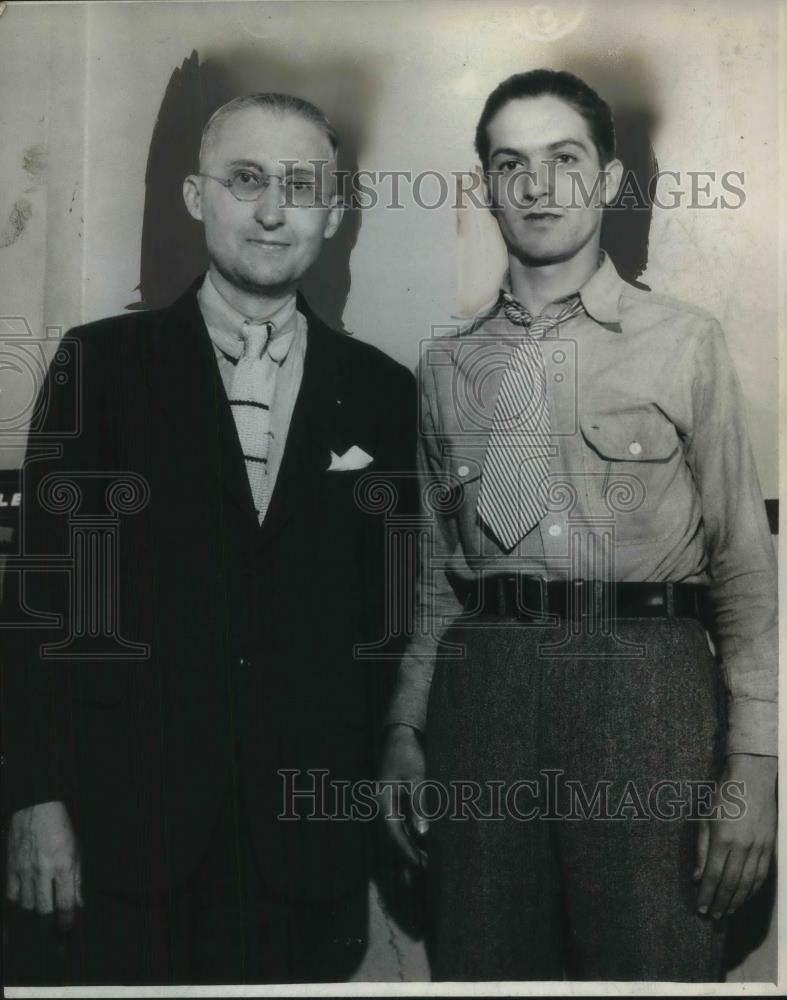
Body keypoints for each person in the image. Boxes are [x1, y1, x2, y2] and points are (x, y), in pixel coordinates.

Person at [4, 92, 415, 985]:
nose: (272, 210)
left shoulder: (382, 390)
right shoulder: (100, 366)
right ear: (197, 197)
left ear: (334, 213)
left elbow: (390, 620)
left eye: (300, 185)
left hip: (305, 853)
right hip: (126, 839)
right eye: (246, 180)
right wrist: (36, 799)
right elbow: (42, 606)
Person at [380, 69, 777, 981]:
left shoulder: (684, 341)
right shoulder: (445, 365)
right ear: (486, 187)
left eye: (565, 158)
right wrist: (406, 728)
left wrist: (754, 765)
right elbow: (439, 575)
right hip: (483, 697)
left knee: (653, 962)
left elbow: (745, 572)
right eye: (510, 163)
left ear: (604, 181)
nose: (538, 184)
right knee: (487, 968)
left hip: (648, 690)